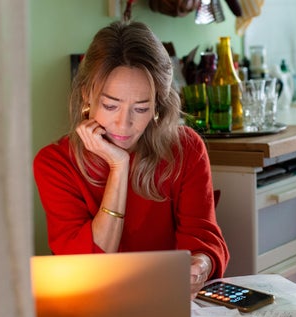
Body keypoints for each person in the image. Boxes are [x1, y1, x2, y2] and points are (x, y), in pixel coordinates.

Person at [33, 20, 229, 298]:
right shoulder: (54, 164)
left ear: (158, 105)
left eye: (141, 108)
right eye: (110, 105)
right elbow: (90, 267)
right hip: (91, 311)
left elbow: (204, 238)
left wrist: (201, 264)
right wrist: (119, 166)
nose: (123, 124)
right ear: (87, 95)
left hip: (169, 304)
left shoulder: (186, 149)